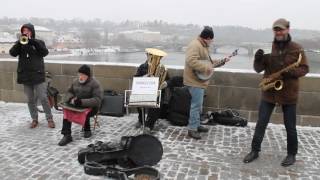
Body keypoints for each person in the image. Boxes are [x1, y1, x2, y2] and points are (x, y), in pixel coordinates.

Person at [243, 18, 309, 166]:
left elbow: (305, 68)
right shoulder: (268, 48)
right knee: (261, 123)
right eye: (276, 30)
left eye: (281, 29)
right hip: (270, 92)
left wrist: (290, 72)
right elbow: (258, 69)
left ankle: (291, 154)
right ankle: (254, 150)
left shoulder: (297, 48)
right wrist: (257, 59)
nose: (278, 32)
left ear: (288, 30)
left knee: (290, 126)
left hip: (288, 93)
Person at [183, 26, 230, 139]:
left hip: (199, 81)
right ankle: (192, 129)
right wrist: (206, 68)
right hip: (194, 81)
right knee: (195, 106)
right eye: (211, 39)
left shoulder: (203, 45)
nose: (212, 42)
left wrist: (222, 61)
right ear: (207, 38)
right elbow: (191, 61)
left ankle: (197, 124)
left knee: (198, 106)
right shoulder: (195, 45)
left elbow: (208, 62)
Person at [9, 23, 55, 129]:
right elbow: (12, 53)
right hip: (26, 76)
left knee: (43, 98)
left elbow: (45, 52)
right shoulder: (20, 43)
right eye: (24, 31)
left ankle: (49, 119)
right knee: (30, 99)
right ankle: (34, 119)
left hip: (38, 75)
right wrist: (19, 43)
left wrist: (32, 41)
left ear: (32, 32)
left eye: (27, 30)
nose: (25, 32)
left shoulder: (38, 42)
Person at [58, 65, 103, 146]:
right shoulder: (75, 81)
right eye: (79, 74)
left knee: (84, 112)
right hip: (77, 104)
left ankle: (87, 129)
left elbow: (97, 100)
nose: (81, 77)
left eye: (83, 75)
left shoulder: (95, 84)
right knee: (67, 111)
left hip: (92, 107)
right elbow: (69, 92)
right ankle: (67, 135)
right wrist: (70, 98)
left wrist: (82, 102)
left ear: (88, 76)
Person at [134, 49, 169, 133]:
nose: (155, 59)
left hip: (157, 92)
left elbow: (168, 80)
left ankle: (149, 125)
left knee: (157, 103)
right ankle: (141, 120)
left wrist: (165, 83)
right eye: (152, 57)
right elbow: (135, 78)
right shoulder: (142, 66)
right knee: (138, 98)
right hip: (144, 90)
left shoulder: (162, 68)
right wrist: (144, 77)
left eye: (157, 58)